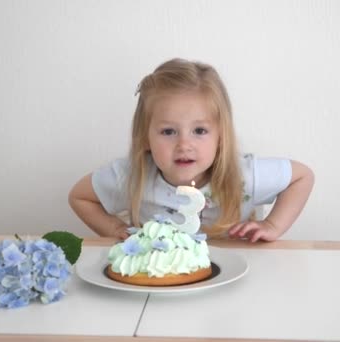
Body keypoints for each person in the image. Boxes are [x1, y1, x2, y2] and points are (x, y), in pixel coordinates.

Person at [69, 58, 314, 242]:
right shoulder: (133, 176)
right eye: (168, 132)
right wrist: (115, 230)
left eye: (199, 131)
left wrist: (272, 225)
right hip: (162, 283)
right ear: (145, 137)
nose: (184, 145)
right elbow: (79, 197)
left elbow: (302, 177)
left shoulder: (243, 175)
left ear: (221, 136)